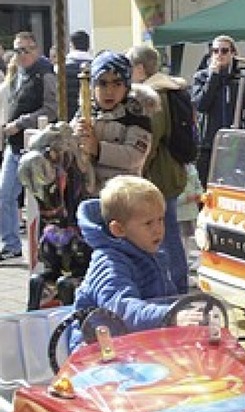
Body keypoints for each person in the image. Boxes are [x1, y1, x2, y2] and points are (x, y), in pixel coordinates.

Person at [72, 175, 199, 349]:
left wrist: (184, 312)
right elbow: (121, 309)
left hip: (137, 344)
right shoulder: (109, 262)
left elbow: (166, 297)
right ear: (119, 229)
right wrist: (170, 315)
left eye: (161, 220)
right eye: (148, 223)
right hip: (99, 352)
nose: (158, 230)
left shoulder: (151, 253)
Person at [126, 44, 189, 294]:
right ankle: (176, 283)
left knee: (165, 231)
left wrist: (137, 168)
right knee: (167, 227)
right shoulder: (172, 88)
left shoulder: (156, 94)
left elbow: (150, 139)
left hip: (160, 173)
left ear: (140, 68)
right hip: (172, 170)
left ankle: (175, 285)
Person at [0, 31, 57, 261]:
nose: (21, 55)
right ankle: (11, 244)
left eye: (26, 50)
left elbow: (51, 110)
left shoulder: (45, 75)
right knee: (4, 195)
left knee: (39, 202)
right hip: (14, 147)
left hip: (35, 147)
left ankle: (44, 249)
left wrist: (21, 123)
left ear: (36, 50)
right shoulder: (17, 75)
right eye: (17, 50)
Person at [71, 50, 158, 195]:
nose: (109, 91)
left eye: (117, 84)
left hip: (123, 193)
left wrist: (98, 149)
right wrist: (75, 134)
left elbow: (134, 156)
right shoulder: (86, 112)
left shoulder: (135, 115)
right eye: (102, 84)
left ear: (126, 86)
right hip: (89, 189)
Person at [191, 34, 245, 188]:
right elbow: (201, 105)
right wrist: (213, 77)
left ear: (233, 53)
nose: (219, 55)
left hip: (234, 144)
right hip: (208, 143)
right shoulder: (201, 77)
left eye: (224, 51)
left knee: (233, 185)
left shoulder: (240, 79)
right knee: (205, 187)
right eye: (215, 51)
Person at [176, 162, 203, 284]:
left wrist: (199, 194)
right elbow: (171, 196)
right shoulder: (174, 168)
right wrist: (185, 198)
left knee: (191, 240)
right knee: (180, 244)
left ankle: (190, 268)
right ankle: (182, 272)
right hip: (178, 214)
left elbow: (198, 185)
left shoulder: (192, 168)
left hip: (191, 213)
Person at [65, 30, 93, 120]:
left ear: (71, 45)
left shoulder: (61, 69)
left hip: (67, 115)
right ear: (88, 46)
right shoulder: (96, 67)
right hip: (91, 115)